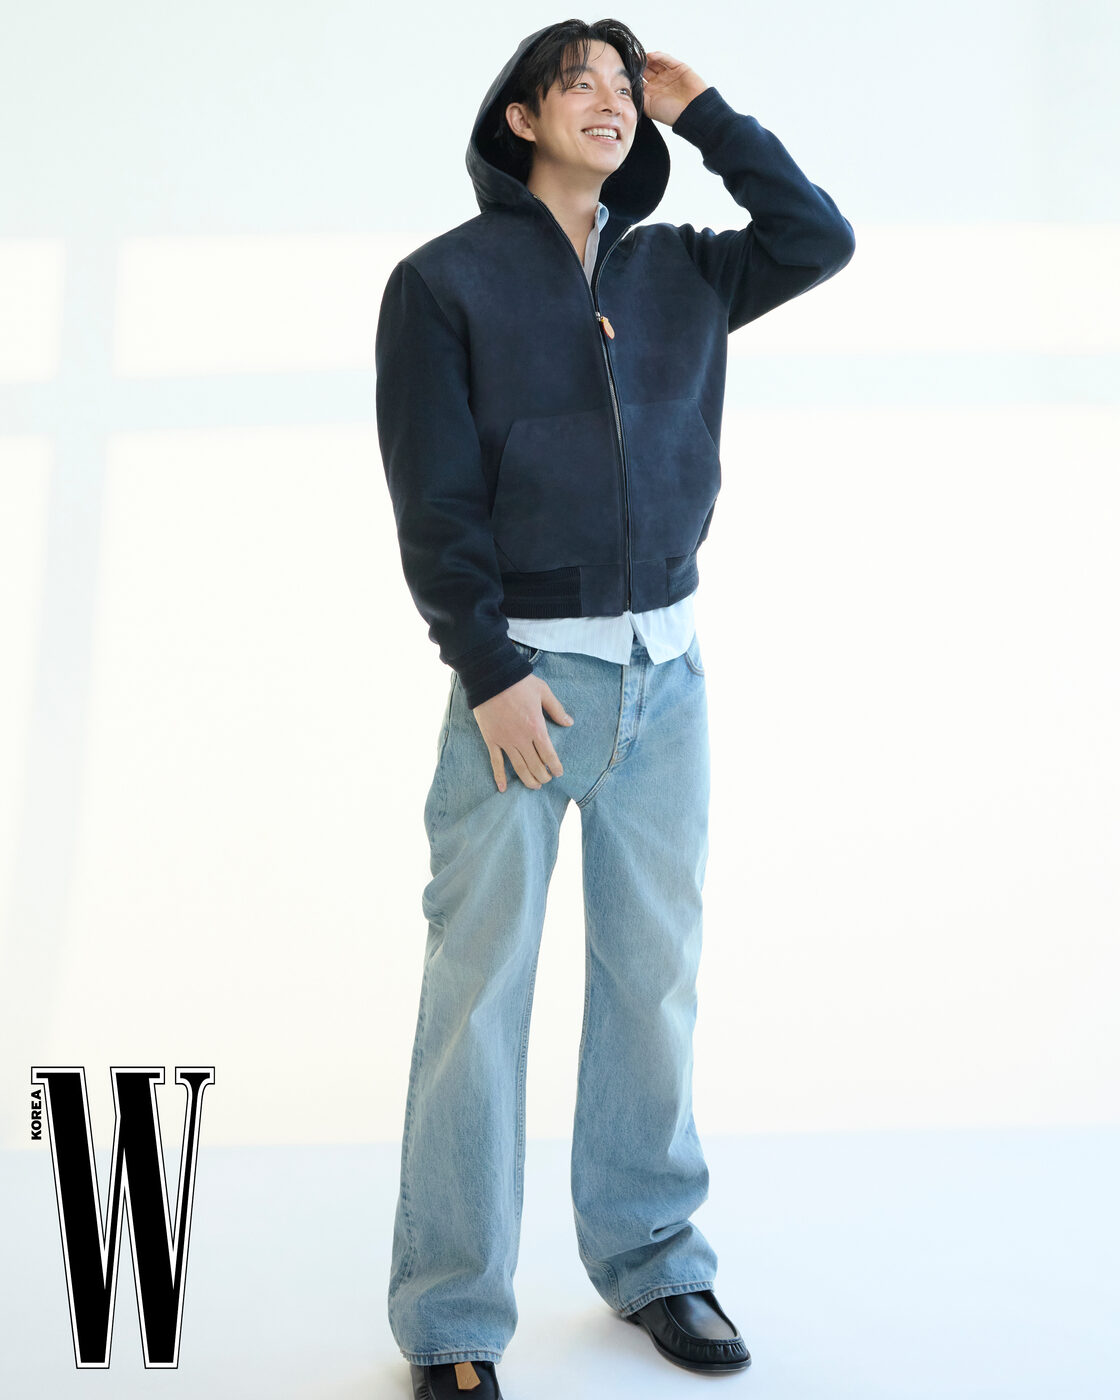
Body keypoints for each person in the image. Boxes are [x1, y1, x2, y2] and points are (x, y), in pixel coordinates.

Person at [375, 19, 855, 1399]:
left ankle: (652, 1259)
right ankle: (453, 1320)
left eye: (622, 87)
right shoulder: (444, 283)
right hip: (525, 686)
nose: (608, 103)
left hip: (669, 676)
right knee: (479, 999)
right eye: (574, 83)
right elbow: (433, 498)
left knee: (653, 982)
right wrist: (489, 670)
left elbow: (818, 238)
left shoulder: (683, 271)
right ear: (521, 117)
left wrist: (707, 115)